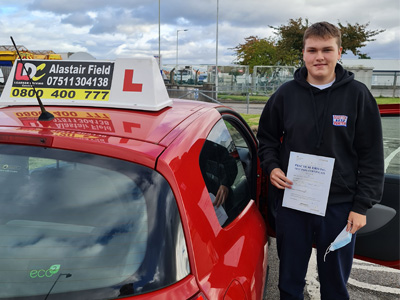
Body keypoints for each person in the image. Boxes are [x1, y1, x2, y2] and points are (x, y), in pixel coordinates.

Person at [257, 21, 384, 300]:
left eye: (327, 49)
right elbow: (266, 139)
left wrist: (361, 206)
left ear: (339, 52)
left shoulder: (359, 96)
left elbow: (372, 156)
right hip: (294, 202)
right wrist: (273, 166)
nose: (319, 57)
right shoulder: (285, 95)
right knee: (289, 282)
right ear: (303, 53)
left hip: (339, 207)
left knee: (335, 285)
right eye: (312, 50)